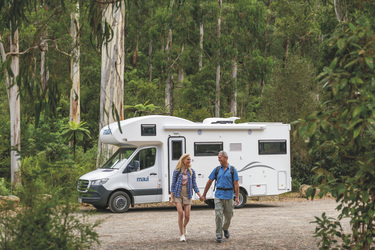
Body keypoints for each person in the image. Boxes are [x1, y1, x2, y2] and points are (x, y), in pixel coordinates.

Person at [201, 151, 239, 243]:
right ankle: (219, 235)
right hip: (218, 195)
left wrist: (237, 197)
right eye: (218, 158)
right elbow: (209, 182)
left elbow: (236, 184)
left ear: (225, 158)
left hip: (229, 196)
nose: (218, 160)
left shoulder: (233, 170)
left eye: (220, 158)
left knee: (229, 216)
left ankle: (225, 228)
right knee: (218, 215)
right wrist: (204, 194)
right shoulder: (217, 169)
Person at [170, 153, 202, 242]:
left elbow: (194, 185)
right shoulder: (177, 171)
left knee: (187, 216)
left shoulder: (191, 171)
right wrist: (172, 198)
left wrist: (200, 195)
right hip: (178, 193)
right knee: (180, 213)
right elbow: (173, 185)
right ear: (183, 160)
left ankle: (183, 227)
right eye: (188, 159)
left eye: (190, 159)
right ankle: (181, 234)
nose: (189, 161)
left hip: (187, 193)